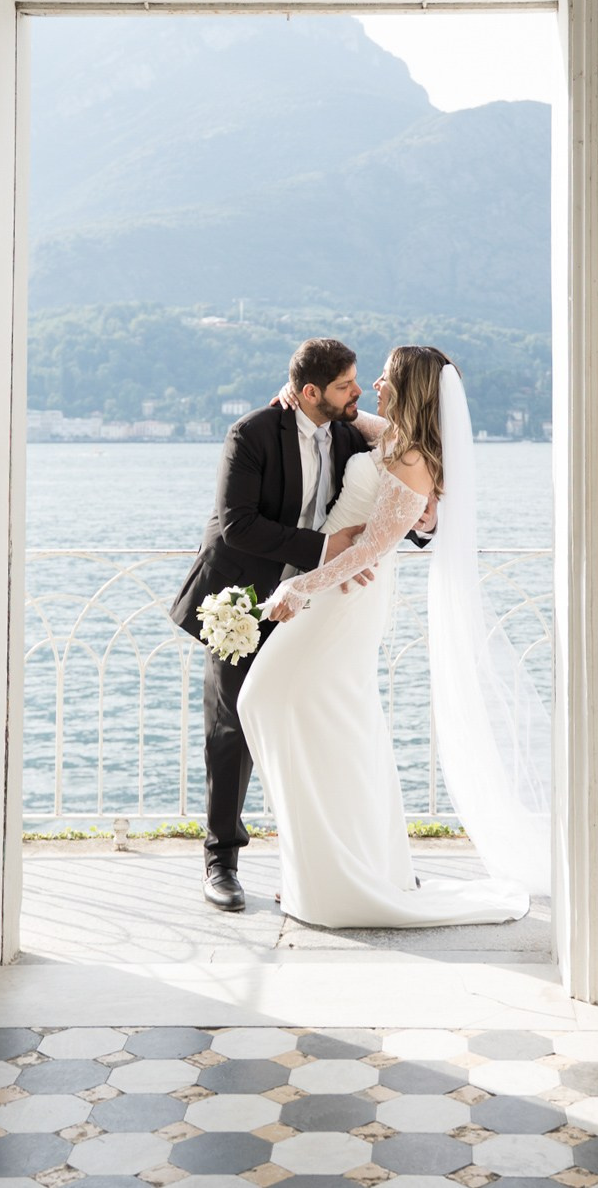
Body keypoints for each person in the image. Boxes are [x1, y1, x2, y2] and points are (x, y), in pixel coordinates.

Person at [237, 345, 539, 927]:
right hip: (333, 586)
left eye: (384, 375)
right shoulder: (393, 438)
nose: (373, 383)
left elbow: (375, 546)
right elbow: (349, 418)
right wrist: (288, 396)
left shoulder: (413, 460)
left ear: (407, 384)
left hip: (344, 597)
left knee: (280, 703)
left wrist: (299, 590)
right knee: (324, 719)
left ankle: (340, 873)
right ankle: (323, 867)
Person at [170, 337, 402, 911]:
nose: (356, 392)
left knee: (317, 724)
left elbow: (403, 470)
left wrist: (398, 531)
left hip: (313, 605)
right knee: (232, 730)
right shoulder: (250, 434)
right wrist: (326, 548)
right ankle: (220, 862)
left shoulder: (350, 432)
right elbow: (236, 526)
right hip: (242, 599)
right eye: (347, 385)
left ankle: (325, 860)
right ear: (309, 392)